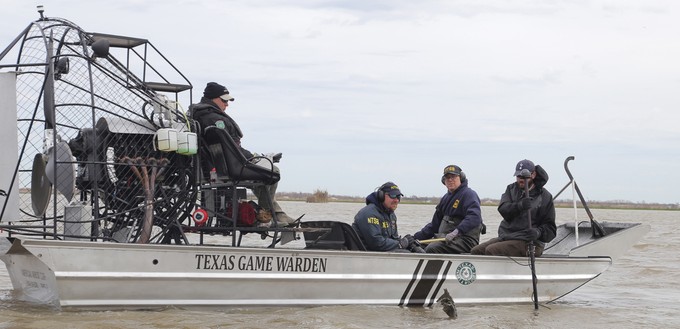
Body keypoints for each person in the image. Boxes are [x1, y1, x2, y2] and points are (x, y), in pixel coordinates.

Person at [189, 82, 294, 226]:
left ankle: (275, 215)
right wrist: (254, 158)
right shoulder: (215, 119)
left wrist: (255, 157)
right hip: (230, 168)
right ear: (213, 99)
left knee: (263, 175)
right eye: (224, 100)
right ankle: (267, 215)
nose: (227, 104)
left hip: (218, 165)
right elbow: (231, 149)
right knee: (273, 171)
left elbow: (230, 148)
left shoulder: (200, 115)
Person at [471, 159, 557, 257]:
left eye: (524, 177)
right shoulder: (511, 189)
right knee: (476, 251)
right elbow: (503, 209)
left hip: (530, 243)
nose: (520, 179)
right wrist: (519, 206)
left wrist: (538, 232)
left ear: (533, 175)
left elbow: (551, 228)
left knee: (491, 250)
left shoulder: (545, 196)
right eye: (518, 176)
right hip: (508, 237)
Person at [412, 165, 484, 253]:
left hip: (465, 240)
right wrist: (414, 238)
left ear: (461, 178)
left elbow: (474, 217)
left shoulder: (469, 194)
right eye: (447, 178)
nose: (450, 180)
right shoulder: (445, 198)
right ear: (444, 181)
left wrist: (457, 231)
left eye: (453, 177)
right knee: (416, 246)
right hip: (445, 239)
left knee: (432, 248)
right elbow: (434, 225)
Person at [352, 182, 423, 253]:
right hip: (369, 254)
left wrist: (408, 243)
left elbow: (394, 239)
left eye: (398, 197)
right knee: (406, 253)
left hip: (382, 253)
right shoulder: (369, 213)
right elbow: (376, 243)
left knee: (418, 250)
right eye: (393, 196)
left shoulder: (391, 215)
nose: (396, 200)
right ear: (381, 196)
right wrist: (400, 244)